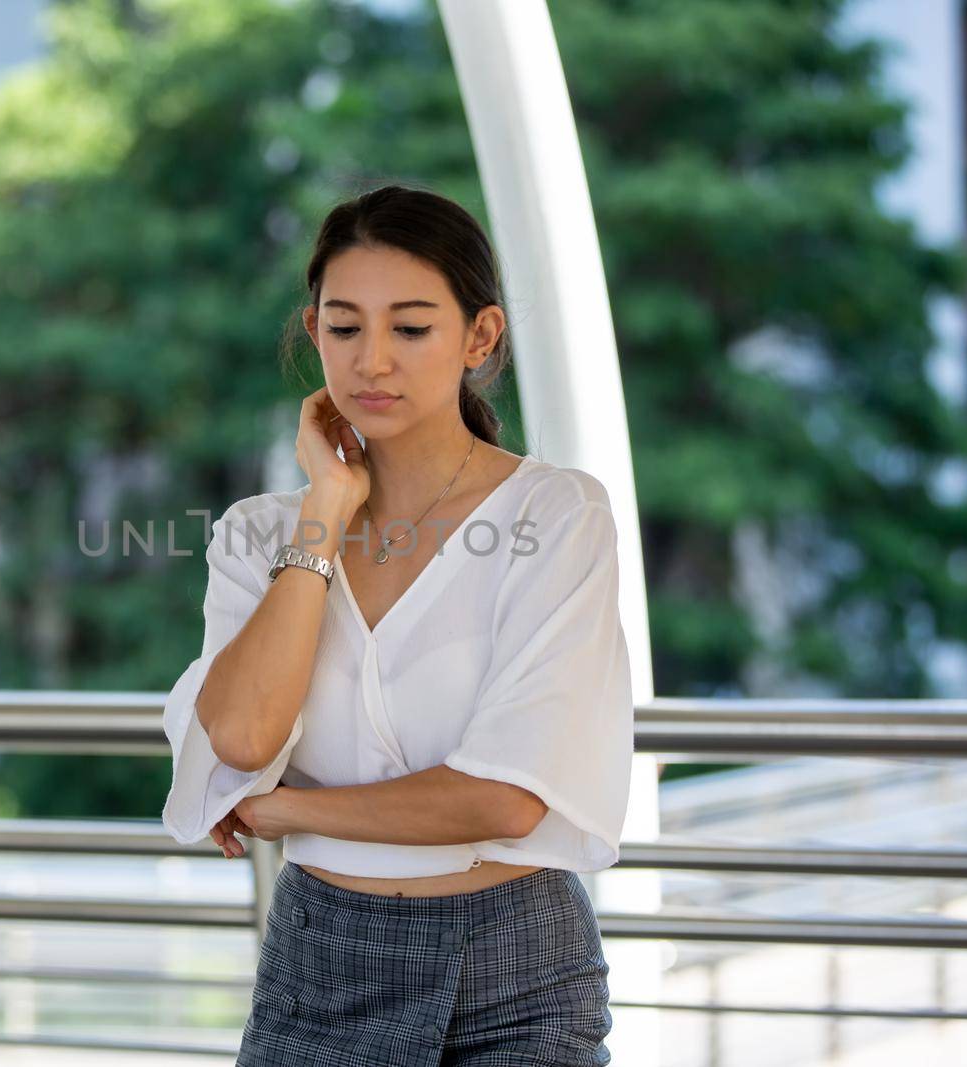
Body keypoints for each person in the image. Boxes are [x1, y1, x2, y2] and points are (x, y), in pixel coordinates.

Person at [160, 183, 633, 1065]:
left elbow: (506, 795)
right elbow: (242, 733)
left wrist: (287, 807)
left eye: (410, 328)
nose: (372, 359)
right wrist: (323, 518)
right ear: (315, 334)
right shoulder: (258, 533)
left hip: (516, 974)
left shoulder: (558, 514)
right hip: (318, 965)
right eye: (345, 328)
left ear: (479, 337)